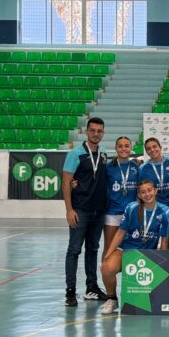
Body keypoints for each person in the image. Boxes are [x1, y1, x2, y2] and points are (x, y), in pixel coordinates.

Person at [100, 180, 168, 315]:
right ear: (139, 194)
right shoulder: (131, 208)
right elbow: (120, 233)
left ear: (155, 190)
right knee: (107, 268)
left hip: (149, 253)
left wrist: (163, 257)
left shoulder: (165, 211)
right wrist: (108, 254)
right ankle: (112, 299)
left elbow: (164, 239)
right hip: (127, 251)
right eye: (143, 192)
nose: (147, 194)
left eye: (149, 190)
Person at [62, 117, 108, 306]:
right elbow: (66, 182)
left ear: (103, 133)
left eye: (99, 131)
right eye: (93, 130)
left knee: (93, 249)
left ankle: (92, 288)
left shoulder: (104, 153)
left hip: (99, 211)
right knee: (74, 250)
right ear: (87, 132)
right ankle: (70, 292)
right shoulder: (75, 154)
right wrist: (69, 209)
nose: (96, 134)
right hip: (80, 210)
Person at [103, 136, 139, 256]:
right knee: (109, 247)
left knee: (129, 248)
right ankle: (107, 274)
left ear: (131, 148)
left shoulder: (135, 167)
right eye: (120, 146)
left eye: (126, 146)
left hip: (131, 214)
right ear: (116, 148)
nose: (123, 149)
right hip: (113, 213)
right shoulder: (108, 167)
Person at [139, 138, 169, 206]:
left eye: (154, 146)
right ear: (146, 152)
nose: (152, 150)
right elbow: (140, 190)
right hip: (155, 207)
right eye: (148, 149)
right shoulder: (142, 168)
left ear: (160, 147)